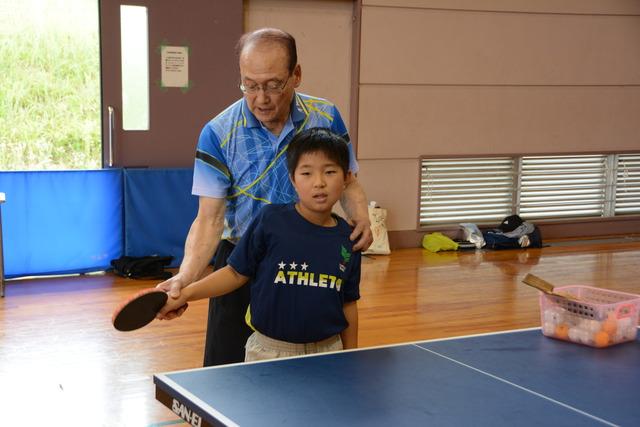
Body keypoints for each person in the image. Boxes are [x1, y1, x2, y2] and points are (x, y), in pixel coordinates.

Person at [156, 28, 372, 366]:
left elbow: (349, 180)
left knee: (307, 368)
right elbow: (209, 218)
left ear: (296, 75)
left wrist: (361, 216)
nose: (261, 98)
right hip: (240, 258)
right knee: (224, 375)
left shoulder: (325, 117)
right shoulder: (217, 132)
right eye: (250, 85)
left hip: (306, 259)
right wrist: (185, 279)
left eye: (273, 85)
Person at [158, 128, 360, 361]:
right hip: (268, 351)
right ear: (293, 179)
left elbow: (348, 303)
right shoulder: (271, 220)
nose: (319, 183)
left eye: (330, 171)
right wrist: (185, 293)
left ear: (346, 177)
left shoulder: (349, 238)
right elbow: (235, 273)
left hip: (327, 351)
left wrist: (351, 356)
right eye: (306, 173)